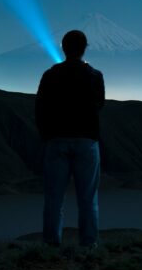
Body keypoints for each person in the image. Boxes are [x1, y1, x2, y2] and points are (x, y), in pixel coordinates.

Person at [35, 29, 106, 246]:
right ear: (84, 49)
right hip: (86, 141)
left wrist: (47, 135)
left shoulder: (50, 75)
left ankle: (50, 248)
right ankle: (89, 246)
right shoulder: (95, 76)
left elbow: (40, 108)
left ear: (63, 48)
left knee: (54, 199)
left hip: (56, 141)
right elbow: (99, 105)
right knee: (88, 199)